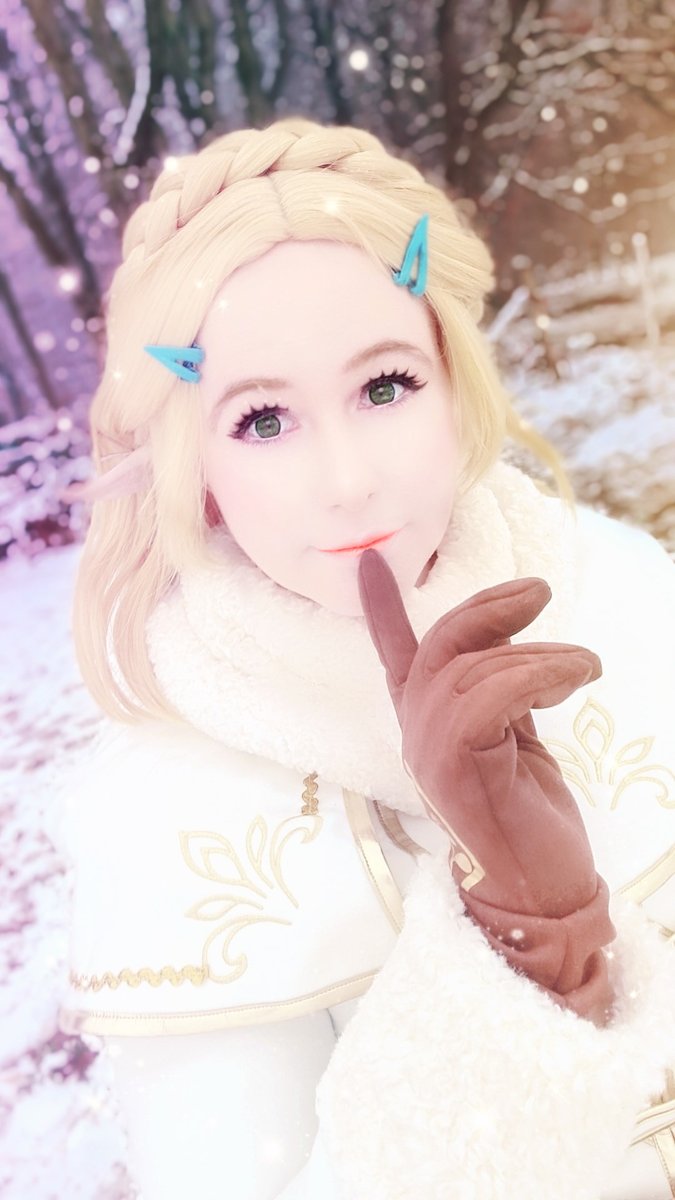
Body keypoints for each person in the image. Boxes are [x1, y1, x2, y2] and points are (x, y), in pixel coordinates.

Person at [56, 116, 675, 1200]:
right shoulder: (163, 818)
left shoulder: (626, 588)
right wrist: (526, 940)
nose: (347, 481)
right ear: (197, 469)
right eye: (262, 420)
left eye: (384, 386)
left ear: (453, 379)